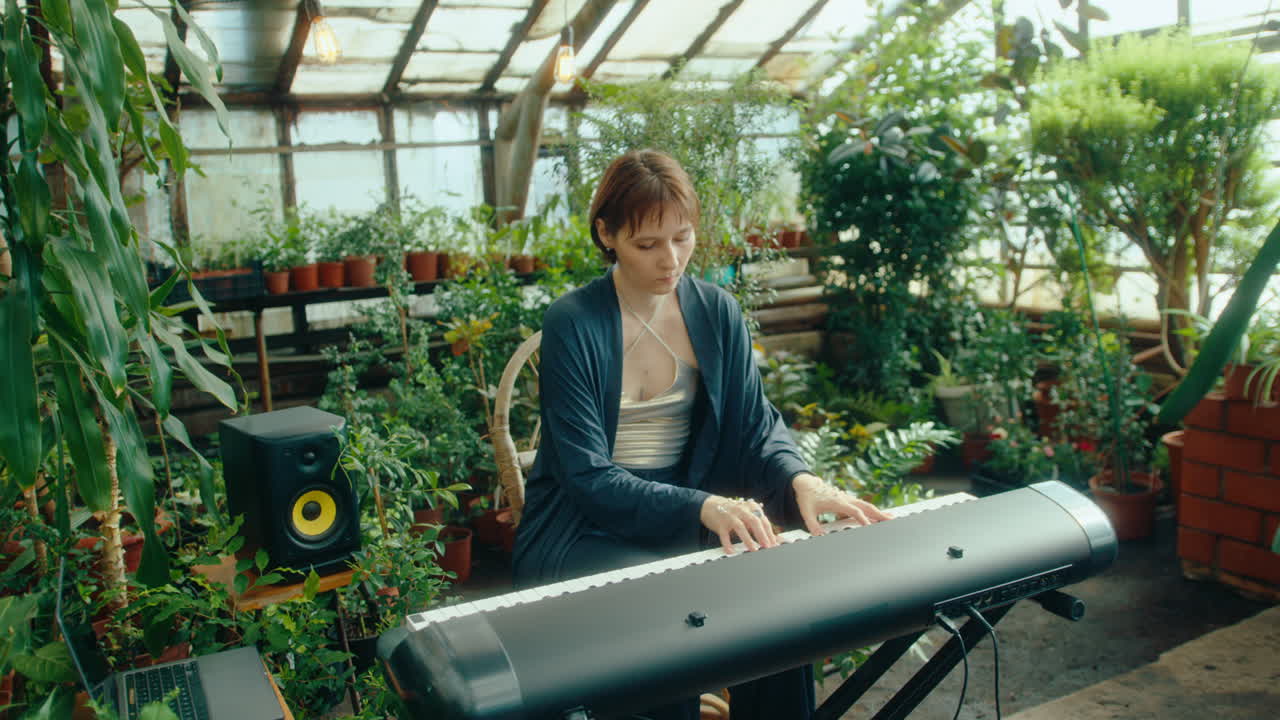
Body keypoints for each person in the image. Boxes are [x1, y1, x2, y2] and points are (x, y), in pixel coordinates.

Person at [512, 149, 890, 719]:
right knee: (664, 616)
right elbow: (585, 475)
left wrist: (802, 480)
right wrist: (703, 506)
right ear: (607, 234)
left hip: (687, 513)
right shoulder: (574, 321)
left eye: (682, 238)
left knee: (781, 606)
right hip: (583, 526)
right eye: (648, 244)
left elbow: (756, 425)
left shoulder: (716, 312)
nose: (671, 260)